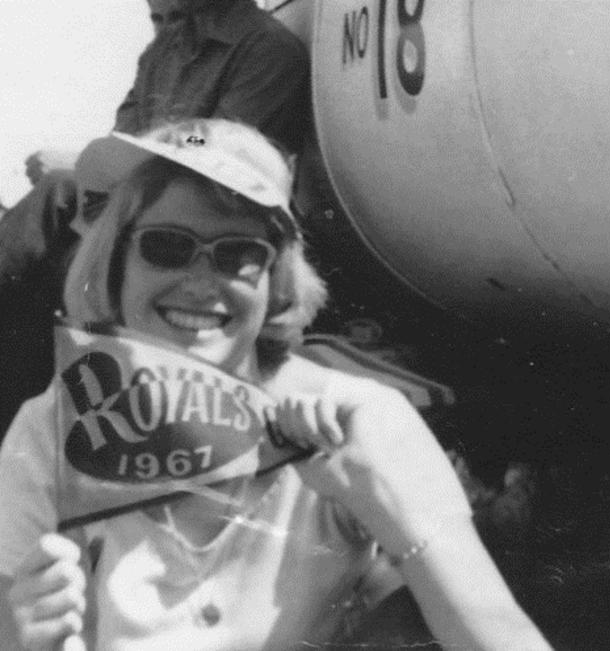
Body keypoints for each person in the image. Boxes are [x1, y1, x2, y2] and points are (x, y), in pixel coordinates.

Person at [0, 119, 549, 650]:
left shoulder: (358, 422)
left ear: (275, 281)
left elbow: (501, 636)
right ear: (116, 264)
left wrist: (393, 515)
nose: (199, 282)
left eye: (239, 254)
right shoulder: (51, 431)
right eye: (166, 246)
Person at [0, 0, 311, 439]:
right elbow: (123, 134)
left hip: (207, 223)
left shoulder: (267, 51)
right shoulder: (164, 51)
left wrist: (86, 164)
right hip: (143, 208)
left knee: (57, 197)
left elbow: (218, 150)